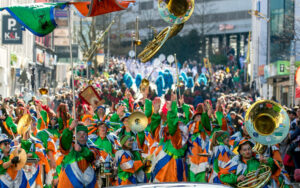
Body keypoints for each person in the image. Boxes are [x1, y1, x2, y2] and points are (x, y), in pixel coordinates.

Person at [220, 140, 291, 187]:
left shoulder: (259, 159)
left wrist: (267, 161)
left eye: (249, 149)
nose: (247, 151)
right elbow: (222, 175)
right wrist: (236, 179)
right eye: (244, 150)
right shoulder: (235, 162)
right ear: (240, 152)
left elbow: (274, 169)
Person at [57, 120, 99, 188]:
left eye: (84, 134)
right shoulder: (69, 146)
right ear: (75, 135)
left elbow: (91, 157)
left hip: (87, 183)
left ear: (87, 136)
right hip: (69, 182)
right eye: (79, 134)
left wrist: (81, 150)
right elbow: (64, 141)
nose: (82, 136)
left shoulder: (91, 147)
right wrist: (70, 128)